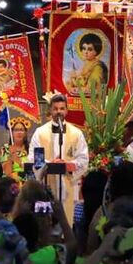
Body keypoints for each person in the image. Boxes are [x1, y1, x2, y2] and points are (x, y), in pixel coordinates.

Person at [28, 93, 89, 223]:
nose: (58, 112)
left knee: (66, 223)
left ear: (66, 110)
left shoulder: (76, 133)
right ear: (50, 110)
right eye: (55, 109)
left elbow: (83, 160)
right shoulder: (40, 133)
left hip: (68, 187)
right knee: (46, 223)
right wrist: (50, 164)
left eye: (62, 108)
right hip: (46, 186)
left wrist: (67, 164)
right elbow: (34, 158)